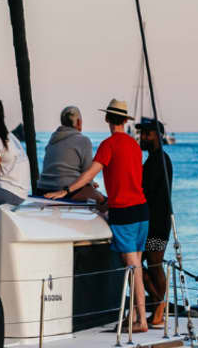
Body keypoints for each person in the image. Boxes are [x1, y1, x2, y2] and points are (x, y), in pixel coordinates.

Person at [45, 98, 149, 332]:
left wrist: (67, 190)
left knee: (133, 268)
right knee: (136, 267)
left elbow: (90, 173)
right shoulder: (134, 145)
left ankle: (141, 320)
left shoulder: (108, 145)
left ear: (106, 119)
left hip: (124, 214)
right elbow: (130, 179)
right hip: (142, 210)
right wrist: (108, 201)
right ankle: (133, 316)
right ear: (125, 120)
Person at [138, 118, 173, 326]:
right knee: (144, 262)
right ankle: (157, 304)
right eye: (142, 133)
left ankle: (159, 305)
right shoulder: (155, 159)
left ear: (157, 136)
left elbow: (147, 191)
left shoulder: (158, 160)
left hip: (157, 224)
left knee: (153, 262)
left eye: (147, 134)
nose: (143, 137)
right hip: (153, 222)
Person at [38, 105, 103, 203]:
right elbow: (87, 173)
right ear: (78, 122)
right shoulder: (83, 140)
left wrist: (91, 182)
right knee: (102, 199)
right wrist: (91, 183)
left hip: (42, 189)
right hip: (66, 191)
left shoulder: (53, 139)